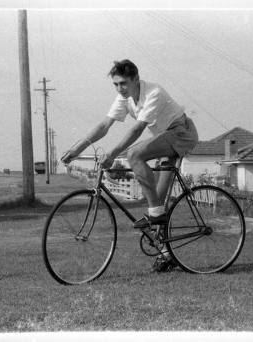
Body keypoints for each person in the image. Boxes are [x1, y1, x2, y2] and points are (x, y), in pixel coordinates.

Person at [61, 59, 199, 271]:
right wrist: (77, 149)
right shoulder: (124, 98)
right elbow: (104, 125)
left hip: (182, 133)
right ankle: (166, 254)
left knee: (134, 155)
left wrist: (113, 153)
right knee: (157, 201)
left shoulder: (154, 92)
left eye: (123, 83)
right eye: (115, 84)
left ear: (136, 79)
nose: (120, 88)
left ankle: (156, 214)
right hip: (166, 136)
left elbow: (137, 130)